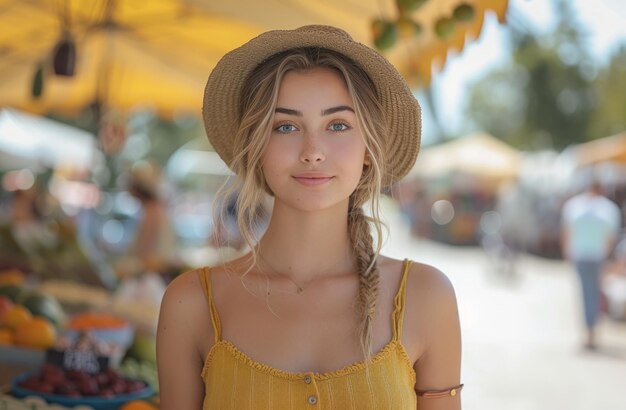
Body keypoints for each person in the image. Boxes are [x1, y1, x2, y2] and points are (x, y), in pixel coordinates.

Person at [157, 25, 462, 409]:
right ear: (256, 148)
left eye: (337, 125)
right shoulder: (191, 304)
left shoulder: (426, 297)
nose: (313, 151)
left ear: (368, 148)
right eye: (286, 126)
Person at [561, 180, 622, 349]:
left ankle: (590, 331)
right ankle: (592, 331)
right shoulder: (608, 208)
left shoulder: (574, 205)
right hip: (596, 256)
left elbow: (567, 232)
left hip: (580, 254)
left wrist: (567, 253)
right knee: (594, 293)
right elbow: (611, 237)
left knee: (586, 292)